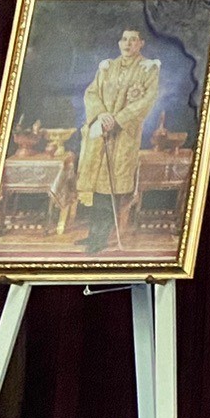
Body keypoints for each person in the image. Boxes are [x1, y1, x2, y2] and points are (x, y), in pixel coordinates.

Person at [77, 29, 160, 252]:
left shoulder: (148, 69)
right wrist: (101, 114)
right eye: (124, 39)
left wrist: (118, 119)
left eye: (133, 40)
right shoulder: (107, 67)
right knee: (97, 186)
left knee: (111, 187)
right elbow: (92, 93)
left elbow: (146, 100)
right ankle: (93, 234)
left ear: (141, 43)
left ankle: (101, 238)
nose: (127, 44)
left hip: (123, 135)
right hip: (101, 132)